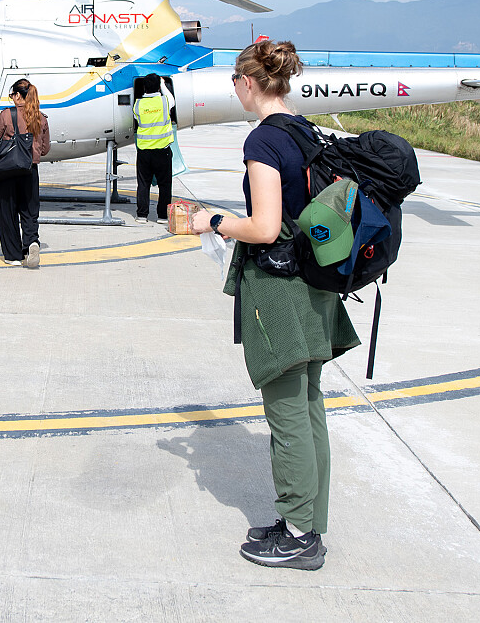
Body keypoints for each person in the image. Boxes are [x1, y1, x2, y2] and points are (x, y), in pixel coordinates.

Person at [189, 39, 360, 572]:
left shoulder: (263, 140)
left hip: (281, 291)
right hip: (316, 284)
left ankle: (299, 535)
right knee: (308, 408)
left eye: (235, 82)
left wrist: (213, 221)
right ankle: (305, 521)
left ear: (248, 82)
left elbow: (264, 227)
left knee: (287, 415)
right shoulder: (303, 130)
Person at [0, 78, 51, 268]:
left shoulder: (7, 115)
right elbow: (45, 149)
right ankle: (31, 242)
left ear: (18, 96)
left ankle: (13, 255)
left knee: (7, 212)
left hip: (7, 170)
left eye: (12, 95)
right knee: (29, 211)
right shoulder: (41, 118)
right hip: (30, 169)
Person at [132, 73, 176, 223]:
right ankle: (162, 216)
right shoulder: (165, 102)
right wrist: (163, 84)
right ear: (158, 87)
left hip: (144, 152)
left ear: (144, 87)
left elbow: (137, 119)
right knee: (165, 185)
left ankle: (142, 215)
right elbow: (172, 100)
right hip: (162, 151)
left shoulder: (137, 105)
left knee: (143, 184)